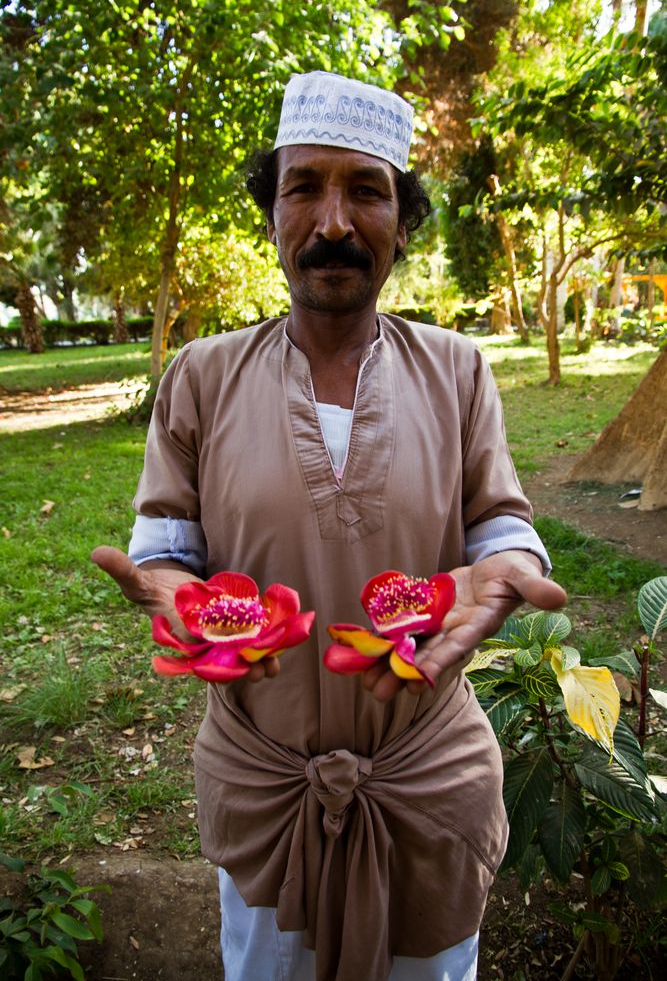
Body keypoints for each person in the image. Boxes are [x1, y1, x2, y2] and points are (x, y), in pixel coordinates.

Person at [93, 71, 566, 981]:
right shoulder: (201, 374)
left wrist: (503, 566)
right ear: (270, 211)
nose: (334, 222)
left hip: (425, 780)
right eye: (303, 186)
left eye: (366, 191)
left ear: (403, 219)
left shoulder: (458, 370)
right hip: (266, 782)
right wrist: (168, 583)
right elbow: (168, 539)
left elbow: (498, 520)